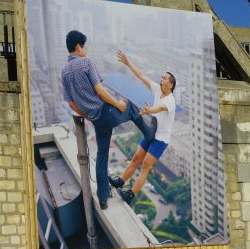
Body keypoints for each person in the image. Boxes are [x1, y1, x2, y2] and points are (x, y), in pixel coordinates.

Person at [61, 30, 154, 210]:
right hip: (107, 111)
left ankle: (103, 199)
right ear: (78, 47)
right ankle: (150, 137)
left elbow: (71, 104)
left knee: (101, 156)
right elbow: (101, 91)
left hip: (96, 119)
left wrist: (87, 115)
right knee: (132, 108)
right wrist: (118, 105)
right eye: (84, 46)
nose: (86, 50)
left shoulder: (64, 72)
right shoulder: (86, 63)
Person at [109, 50, 176, 204]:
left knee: (145, 165)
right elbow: (141, 76)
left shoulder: (171, 100)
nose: (162, 79)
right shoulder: (158, 90)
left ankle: (130, 195)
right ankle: (120, 181)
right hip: (150, 134)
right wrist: (127, 63)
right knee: (136, 158)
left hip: (160, 140)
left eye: (165, 78)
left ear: (170, 84)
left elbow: (160, 109)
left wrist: (149, 110)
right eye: (162, 77)